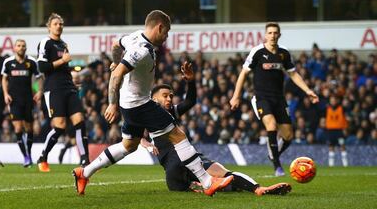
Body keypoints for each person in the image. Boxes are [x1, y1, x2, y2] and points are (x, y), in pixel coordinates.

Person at [73, 10, 233, 196]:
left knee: (129, 145)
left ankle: (84, 173)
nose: (166, 37)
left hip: (131, 103)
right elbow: (116, 75)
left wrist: (117, 61)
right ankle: (207, 182)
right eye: (166, 32)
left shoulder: (133, 37)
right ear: (159, 27)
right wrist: (112, 103)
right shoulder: (142, 50)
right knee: (177, 135)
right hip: (139, 103)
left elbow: (116, 44)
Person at [140, 63, 291, 195]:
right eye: (165, 96)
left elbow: (190, 101)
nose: (169, 99)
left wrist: (191, 82)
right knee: (180, 187)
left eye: (171, 96)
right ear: (154, 99)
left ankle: (259, 189)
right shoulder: (146, 114)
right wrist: (146, 143)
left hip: (192, 158)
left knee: (226, 176)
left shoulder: (172, 111)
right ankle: (201, 184)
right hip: (173, 168)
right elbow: (134, 134)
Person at [230, 22, 319, 176]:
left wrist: (308, 90)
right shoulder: (257, 52)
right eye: (269, 33)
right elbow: (244, 73)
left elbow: (293, 74)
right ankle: (277, 165)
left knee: (288, 136)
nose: (272, 35)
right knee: (271, 125)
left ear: (279, 35)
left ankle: (273, 152)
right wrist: (236, 96)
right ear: (265, 35)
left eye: (275, 33)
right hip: (261, 97)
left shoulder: (284, 53)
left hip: (279, 98)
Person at [36, 13, 89, 172]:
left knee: (80, 121)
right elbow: (42, 67)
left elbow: (64, 68)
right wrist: (62, 61)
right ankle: (43, 156)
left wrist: (73, 79)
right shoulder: (46, 43)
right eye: (56, 24)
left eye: (61, 24)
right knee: (59, 127)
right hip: (54, 88)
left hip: (69, 87)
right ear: (49, 26)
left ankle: (85, 160)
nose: (59, 26)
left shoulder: (64, 44)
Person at [1, 39, 42, 167]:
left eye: (23, 46)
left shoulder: (31, 62)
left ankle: (28, 153)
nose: (21, 48)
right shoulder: (8, 62)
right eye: (19, 45)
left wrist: (40, 90)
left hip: (28, 99)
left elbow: (39, 77)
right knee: (18, 128)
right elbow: (4, 79)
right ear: (14, 48)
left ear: (26, 48)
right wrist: (6, 94)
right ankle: (26, 157)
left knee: (29, 129)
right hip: (14, 100)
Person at [325, 95, 348, 167]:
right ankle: (331, 164)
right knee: (331, 146)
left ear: (336, 101)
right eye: (331, 100)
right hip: (330, 131)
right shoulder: (327, 109)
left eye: (334, 100)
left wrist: (345, 128)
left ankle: (345, 164)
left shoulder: (342, 108)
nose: (333, 102)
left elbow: (345, 119)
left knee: (342, 146)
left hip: (339, 130)